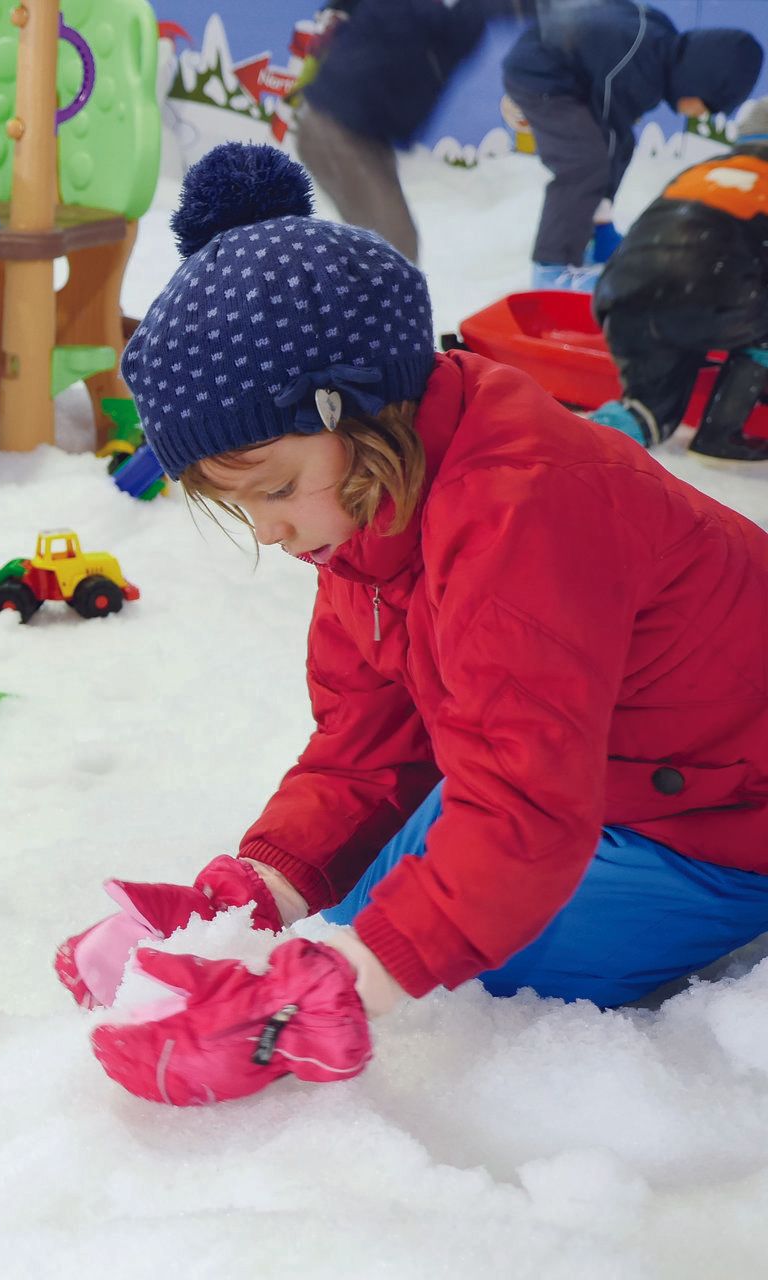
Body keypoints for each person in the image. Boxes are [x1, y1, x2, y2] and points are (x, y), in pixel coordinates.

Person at [61, 143, 768, 1108]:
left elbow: (523, 816)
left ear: (363, 411)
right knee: (364, 921)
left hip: (719, 818)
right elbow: (366, 747)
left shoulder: (522, 517)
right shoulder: (369, 511)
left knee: (468, 980)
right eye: (240, 509)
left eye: (273, 491)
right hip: (586, 771)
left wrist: (309, 1002)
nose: (268, 533)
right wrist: (244, 899)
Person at [503, 1, 762, 290]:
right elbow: (605, 125)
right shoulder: (640, 67)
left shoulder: (657, 46)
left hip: (562, 71)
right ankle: (551, 270)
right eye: (710, 105)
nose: (703, 114)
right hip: (541, 76)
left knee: (620, 145)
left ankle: (599, 234)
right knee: (584, 162)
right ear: (701, 82)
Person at [589, 98, 768, 461]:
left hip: (621, 293)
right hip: (708, 298)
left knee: (652, 412)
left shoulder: (703, 170)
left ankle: (581, 440)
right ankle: (720, 433)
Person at [294, 0, 522, 264]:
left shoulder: (457, 15)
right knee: (394, 250)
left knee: (393, 250)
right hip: (333, 131)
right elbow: (442, 20)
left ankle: (362, 299)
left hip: (366, 135)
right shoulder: (433, 14)